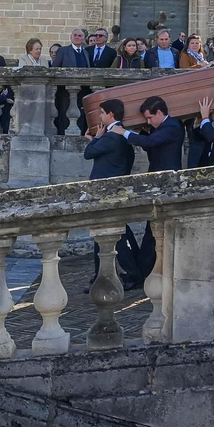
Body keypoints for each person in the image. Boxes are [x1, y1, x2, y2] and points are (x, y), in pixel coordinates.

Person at [84, 99, 142, 289]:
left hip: (107, 192)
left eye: (102, 112)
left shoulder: (111, 137)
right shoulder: (119, 136)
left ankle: (131, 274)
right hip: (113, 190)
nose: (100, 116)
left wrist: (96, 139)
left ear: (110, 114)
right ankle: (104, 274)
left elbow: (88, 153)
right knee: (113, 233)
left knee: (113, 234)